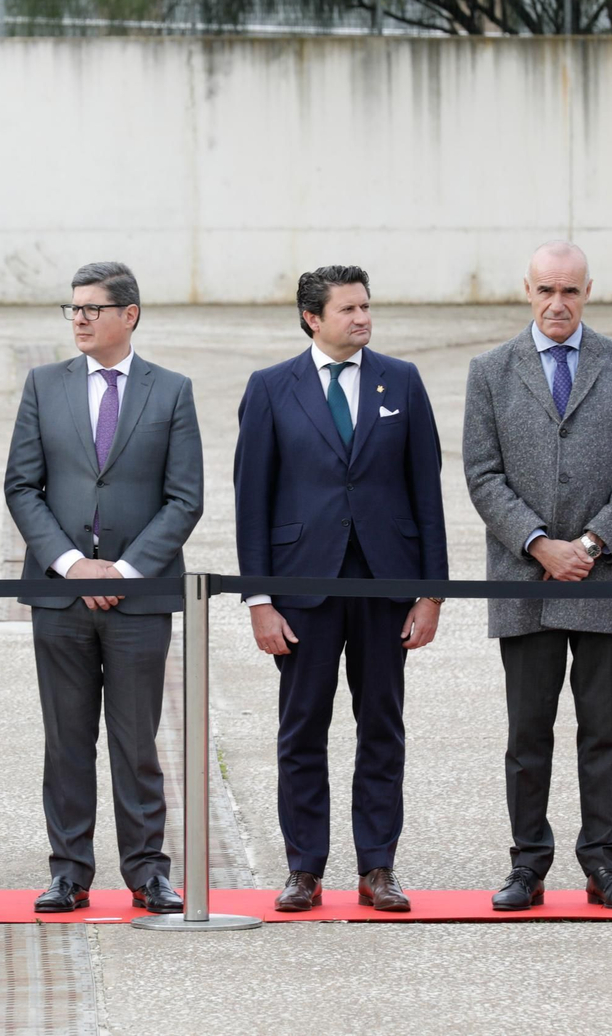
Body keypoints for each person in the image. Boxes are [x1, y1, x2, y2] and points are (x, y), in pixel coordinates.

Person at [234, 265, 448, 913]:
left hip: (386, 583)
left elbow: (426, 489)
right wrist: (259, 598)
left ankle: (377, 867)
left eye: (365, 306)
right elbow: (253, 498)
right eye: (348, 309)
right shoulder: (272, 388)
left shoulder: (401, 381)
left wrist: (431, 591)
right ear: (312, 318)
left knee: (382, 723)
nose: (361, 318)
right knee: (302, 729)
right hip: (303, 587)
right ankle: (305, 867)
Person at [461, 241, 612, 912]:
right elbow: (482, 474)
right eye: (546, 290)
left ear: (588, 292)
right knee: (528, 732)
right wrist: (540, 544)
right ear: (526, 290)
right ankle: (528, 862)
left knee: (603, 729)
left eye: (570, 291)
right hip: (525, 578)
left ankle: (603, 860)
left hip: (605, 579)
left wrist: (594, 542)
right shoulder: (490, 371)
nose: (557, 303)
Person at [4, 261, 203, 915]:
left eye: (93, 307)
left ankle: (149, 871)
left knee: (136, 740)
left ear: (130, 314)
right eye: (74, 309)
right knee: (66, 740)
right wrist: (68, 562)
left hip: (138, 598)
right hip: (60, 596)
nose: (80, 319)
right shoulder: (43, 385)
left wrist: (122, 569)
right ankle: (69, 871)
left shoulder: (171, 391)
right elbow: (22, 487)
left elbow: (183, 499)